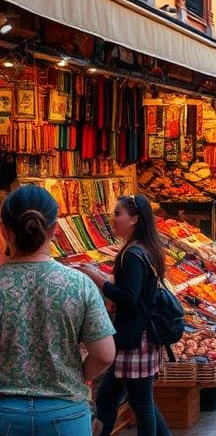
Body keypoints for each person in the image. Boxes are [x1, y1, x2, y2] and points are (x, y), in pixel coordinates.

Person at [0, 185, 116, 436]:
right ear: (53, 230)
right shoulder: (78, 284)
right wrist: (77, 373)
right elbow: (105, 354)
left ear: (4, 230)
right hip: (66, 413)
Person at [85, 195, 172, 436]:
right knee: (112, 398)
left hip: (134, 338)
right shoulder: (146, 249)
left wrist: (99, 279)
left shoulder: (132, 254)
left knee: (141, 403)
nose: (113, 220)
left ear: (134, 219)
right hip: (134, 336)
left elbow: (129, 298)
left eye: (117, 214)